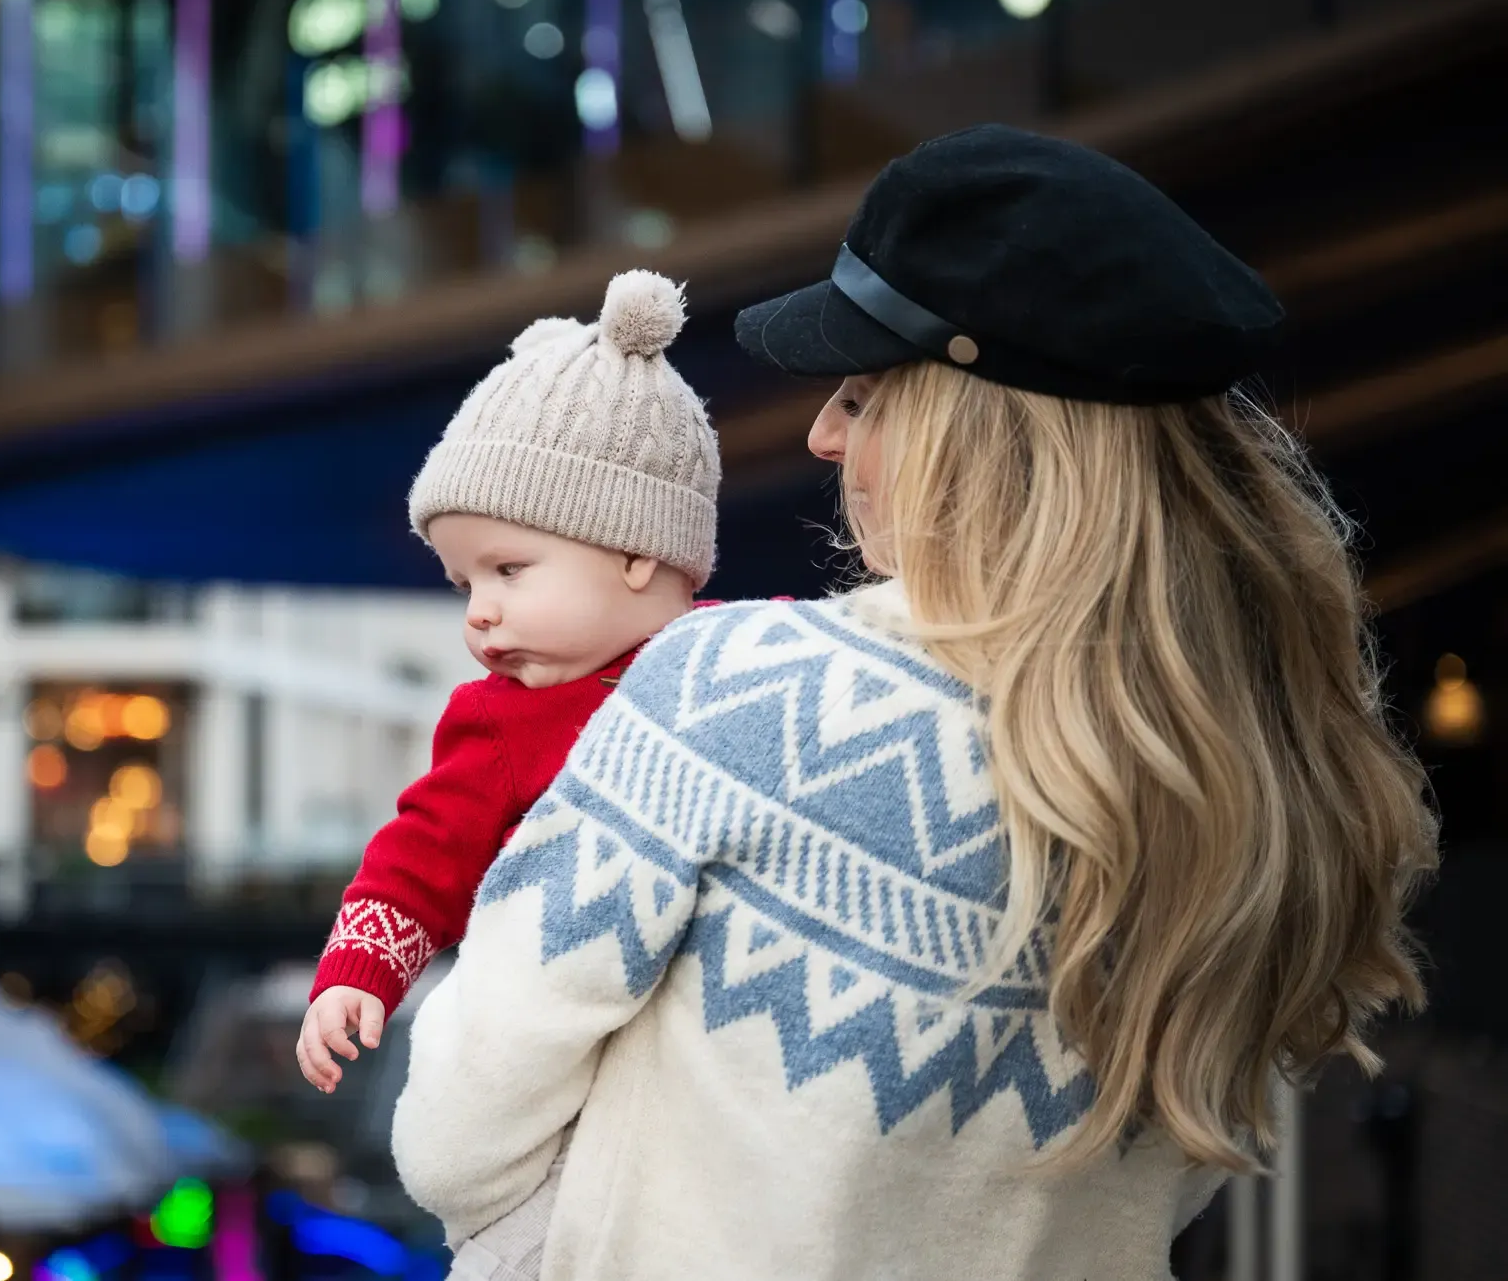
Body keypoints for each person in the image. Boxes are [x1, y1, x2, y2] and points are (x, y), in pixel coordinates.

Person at [389, 124, 1439, 1281]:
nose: (819, 433)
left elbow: (454, 1131)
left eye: (858, 394)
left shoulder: (736, 690)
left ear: (972, 424)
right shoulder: (1264, 779)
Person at [295, 270, 721, 1278]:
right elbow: (419, 851)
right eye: (462, 583)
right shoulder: (499, 721)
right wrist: (361, 970)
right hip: (564, 1105)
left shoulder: (745, 661)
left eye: (506, 569)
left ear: (633, 548)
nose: (476, 612)